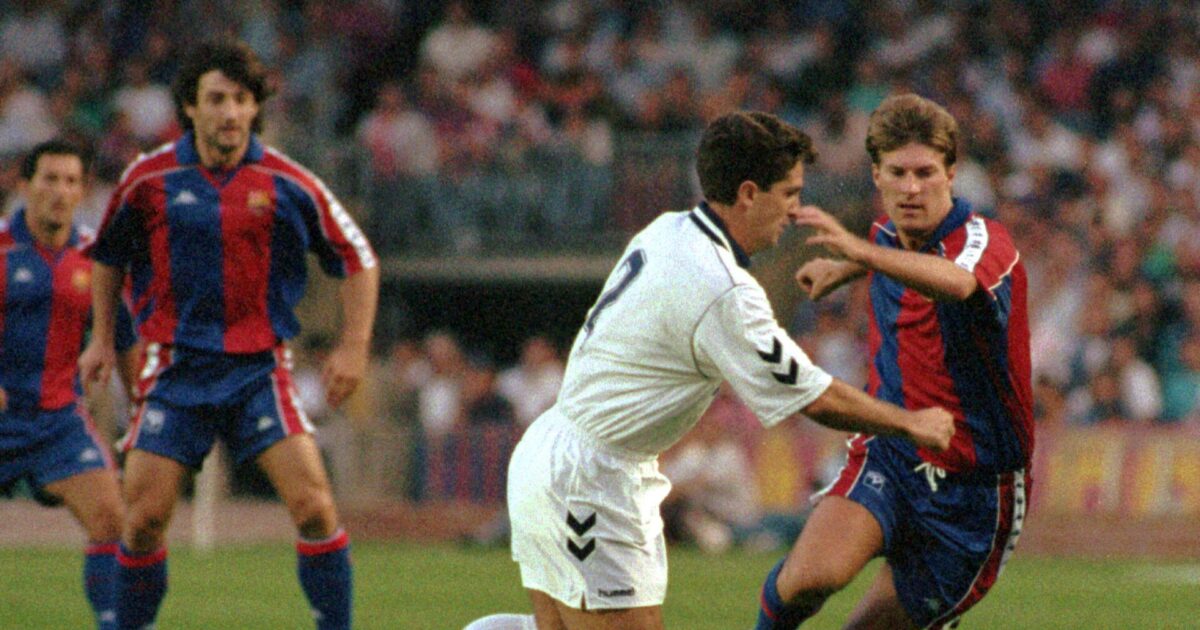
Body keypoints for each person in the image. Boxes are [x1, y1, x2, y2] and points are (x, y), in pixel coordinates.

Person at [465, 111, 954, 630]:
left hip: (556, 453)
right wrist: (911, 422)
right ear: (748, 193)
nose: (796, 211)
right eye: (789, 194)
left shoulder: (667, 230)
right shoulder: (721, 287)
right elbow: (812, 395)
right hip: (592, 478)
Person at [77, 40, 379, 630]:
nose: (230, 112)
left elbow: (358, 256)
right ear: (190, 106)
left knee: (315, 507)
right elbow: (108, 256)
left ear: (255, 108)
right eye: (216, 98)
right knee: (142, 521)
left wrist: (353, 345)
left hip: (258, 371)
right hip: (174, 370)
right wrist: (101, 338)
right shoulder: (149, 177)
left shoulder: (288, 181)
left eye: (242, 99)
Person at [755, 94, 1034, 629]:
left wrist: (856, 257)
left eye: (926, 172)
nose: (912, 188)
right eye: (898, 172)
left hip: (976, 492)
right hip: (893, 454)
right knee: (809, 577)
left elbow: (955, 281)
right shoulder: (885, 235)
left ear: (951, 173)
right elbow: (892, 249)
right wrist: (844, 267)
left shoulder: (985, 242)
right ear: (876, 175)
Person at [0, 139, 138, 629]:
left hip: (57, 422)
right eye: (49, 179)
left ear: (83, 191)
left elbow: (124, 338)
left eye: (71, 181)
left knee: (110, 519)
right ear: (24, 185)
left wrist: (141, 409)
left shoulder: (96, 259)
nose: (60, 191)